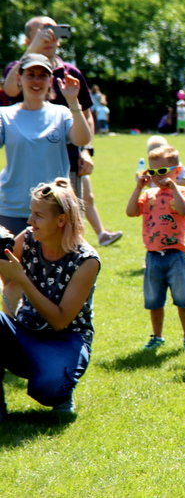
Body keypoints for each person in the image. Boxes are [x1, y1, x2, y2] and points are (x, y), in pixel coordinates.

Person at [0, 178, 101, 418]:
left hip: (66, 339)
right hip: (26, 331)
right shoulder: (30, 238)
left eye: (38, 215)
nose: (29, 221)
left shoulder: (86, 260)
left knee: (49, 390)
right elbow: (6, 267)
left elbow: (60, 321)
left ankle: (62, 389)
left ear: (61, 220)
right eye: (31, 214)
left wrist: (23, 280)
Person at [3, 16, 95, 200]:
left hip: (67, 163)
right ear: (28, 40)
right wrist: (32, 51)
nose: (49, 37)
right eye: (42, 33)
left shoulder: (70, 72)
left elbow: (86, 115)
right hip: (25, 167)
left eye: (54, 31)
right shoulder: (17, 69)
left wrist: (86, 150)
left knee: (67, 220)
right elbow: (10, 89)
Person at [0, 53, 91, 235]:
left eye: (42, 76)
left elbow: (82, 139)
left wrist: (73, 102)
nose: (36, 81)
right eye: (30, 74)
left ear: (50, 80)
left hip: (55, 211)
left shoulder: (61, 113)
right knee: (10, 263)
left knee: (56, 263)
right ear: (19, 78)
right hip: (13, 209)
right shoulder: (5, 114)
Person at [125, 144, 185, 351]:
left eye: (162, 171)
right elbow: (130, 212)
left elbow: (184, 209)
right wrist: (139, 187)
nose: (157, 176)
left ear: (177, 171)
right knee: (154, 301)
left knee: (183, 299)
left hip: (178, 254)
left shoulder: (182, 190)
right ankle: (157, 336)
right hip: (153, 255)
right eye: (152, 172)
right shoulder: (148, 195)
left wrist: (172, 187)